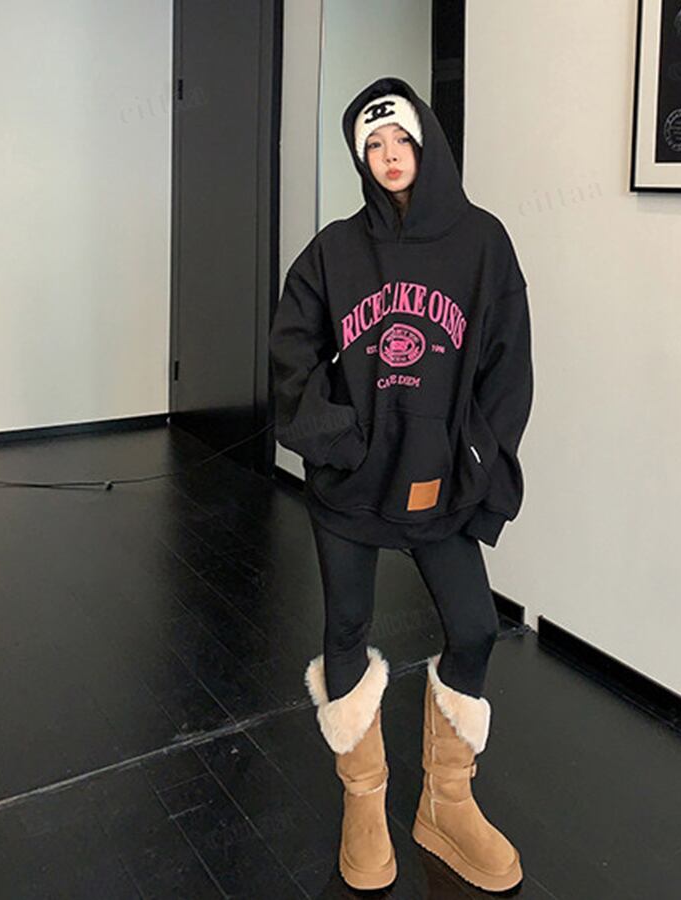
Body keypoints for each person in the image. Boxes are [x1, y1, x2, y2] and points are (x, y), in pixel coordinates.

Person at [268, 76, 533, 891]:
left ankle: (446, 804)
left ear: (427, 143)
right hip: (352, 485)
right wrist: (337, 438)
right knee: (347, 628)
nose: (388, 156)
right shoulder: (336, 250)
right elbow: (290, 351)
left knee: (475, 628)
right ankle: (365, 800)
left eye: (400, 140)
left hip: (439, 482)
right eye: (373, 145)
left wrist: (477, 458)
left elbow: (508, 364)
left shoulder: (483, 243)